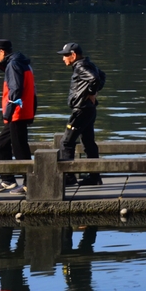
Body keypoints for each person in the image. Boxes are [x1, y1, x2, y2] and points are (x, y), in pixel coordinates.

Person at [0, 39, 36, 196]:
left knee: (19, 148)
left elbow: (15, 89)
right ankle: (8, 180)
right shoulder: (22, 62)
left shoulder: (14, 64)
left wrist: (8, 112)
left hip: (17, 112)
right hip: (22, 110)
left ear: (1, 51)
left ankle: (29, 183)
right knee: (2, 144)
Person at [56, 42, 107, 187]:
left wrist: (91, 93)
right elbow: (102, 75)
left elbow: (96, 79)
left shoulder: (81, 66)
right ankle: (94, 177)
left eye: (66, 55)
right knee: (88, 142)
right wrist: (93, 93)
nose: (63, 58)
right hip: (88, 109)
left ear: (73, 55)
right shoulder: (87, 64)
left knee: (66, 142)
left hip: (82, 110)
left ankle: (69, 177)